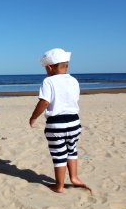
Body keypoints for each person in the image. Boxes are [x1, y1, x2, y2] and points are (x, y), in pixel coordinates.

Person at [29, 48, 89, 193]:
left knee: (59, 155)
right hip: (74, 122)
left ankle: (59, 186)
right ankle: (74, 177)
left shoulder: (48, 81)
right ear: (66, 66)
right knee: (71, 150)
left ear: (49, 67)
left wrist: (33, 117)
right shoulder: (74, 80)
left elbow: (44, 102)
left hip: (56, 124)